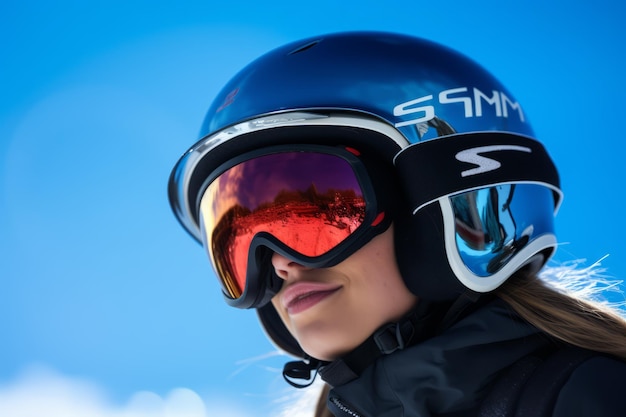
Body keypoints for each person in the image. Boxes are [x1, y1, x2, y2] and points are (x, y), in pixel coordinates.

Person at [168, 31, 626, 417]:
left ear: (449, 206)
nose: (278, 264)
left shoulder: (594, 396)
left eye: (320, 214)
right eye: (237, 236)